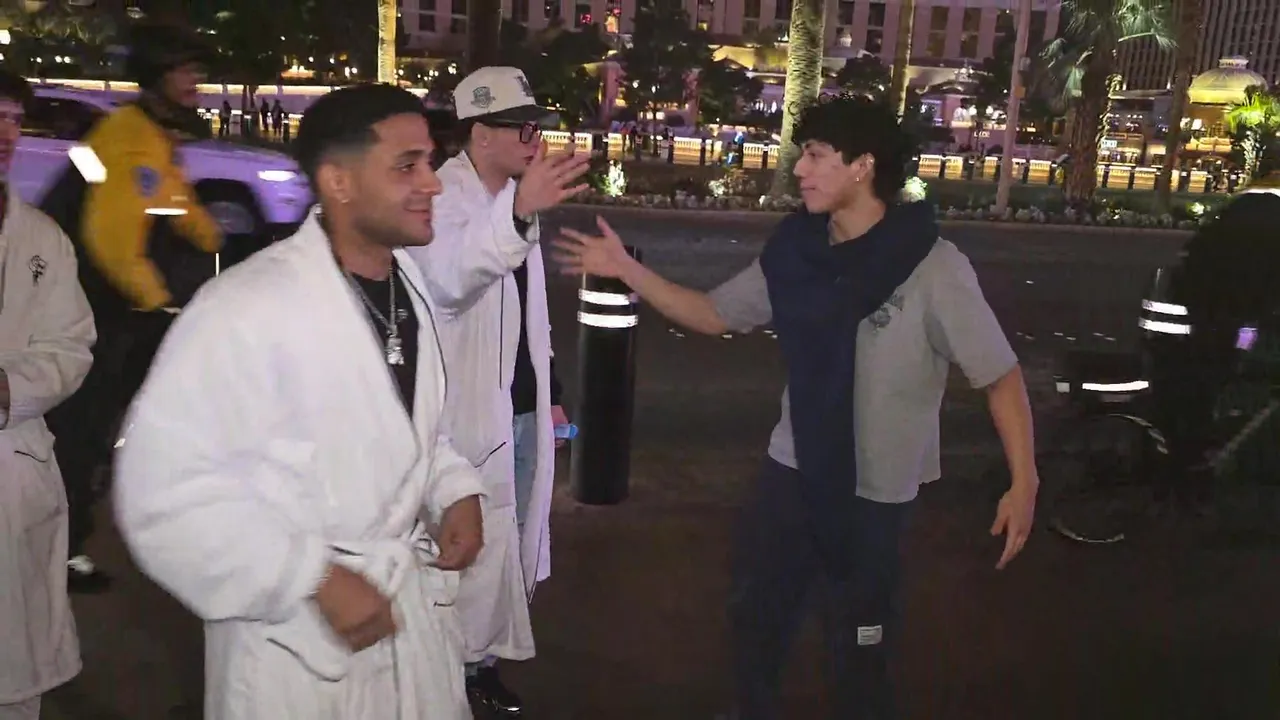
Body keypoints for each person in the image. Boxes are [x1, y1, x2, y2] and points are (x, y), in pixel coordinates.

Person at [552, 95, 1039, 719]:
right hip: (794, 468)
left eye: (815, 155)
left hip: (876, 490)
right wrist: (625, 270)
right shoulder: (798, 253)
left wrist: (1024, 480)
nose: (799, 170)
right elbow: (714, 313)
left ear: (862, 166)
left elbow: (999, 374)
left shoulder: (933, 267)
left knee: (860, 643)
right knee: (756, 617)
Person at [112, 83, 486, 719]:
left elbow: (400, 427)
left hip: (403, 627)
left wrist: (453, 488)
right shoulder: (245, 307)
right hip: (294, 646)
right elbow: (160, 492)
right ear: (338, 182)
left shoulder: (407, 286)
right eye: (407, 166)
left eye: (429, 160)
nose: (433, 183)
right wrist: (311, 577)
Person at [406, 65, 589, 716]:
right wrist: (515, 213)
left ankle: (478, 667)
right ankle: (447, 678)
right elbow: (453, 279)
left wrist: (549, 393)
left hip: (518, 408)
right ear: (481, 133)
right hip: (464, 422)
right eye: (524, 128)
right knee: (463, 551)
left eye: (539, 128)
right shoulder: (445, 200)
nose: (537, 141)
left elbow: (529, 316)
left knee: (503, 546)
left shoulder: (510, 198)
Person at [40, 19, 223, 594]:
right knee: (82, 427)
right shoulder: (129, 137)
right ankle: (58, 552)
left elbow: (175, 203)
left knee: (94, 423)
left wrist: (215, 240)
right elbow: (113, 241)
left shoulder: (151, 135)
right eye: (185, 70)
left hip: (106, 302)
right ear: (157, 75)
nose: (195, 80)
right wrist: (158, 303)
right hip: (92, 304)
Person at [0, 68, 96, 720]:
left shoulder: (42, 239)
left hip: (14, 466)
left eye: (12, 118)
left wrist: (9, 389)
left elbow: (71, 345)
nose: (5, 133)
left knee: (15, 666)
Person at [1147, 174, 1280, 510]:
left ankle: (1186, 465)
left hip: (1191, 309)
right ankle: (1186, 476)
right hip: (1205, 315)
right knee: (1208, 381)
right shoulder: (1268, 219)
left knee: (1199, 383)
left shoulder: (1255, 208)